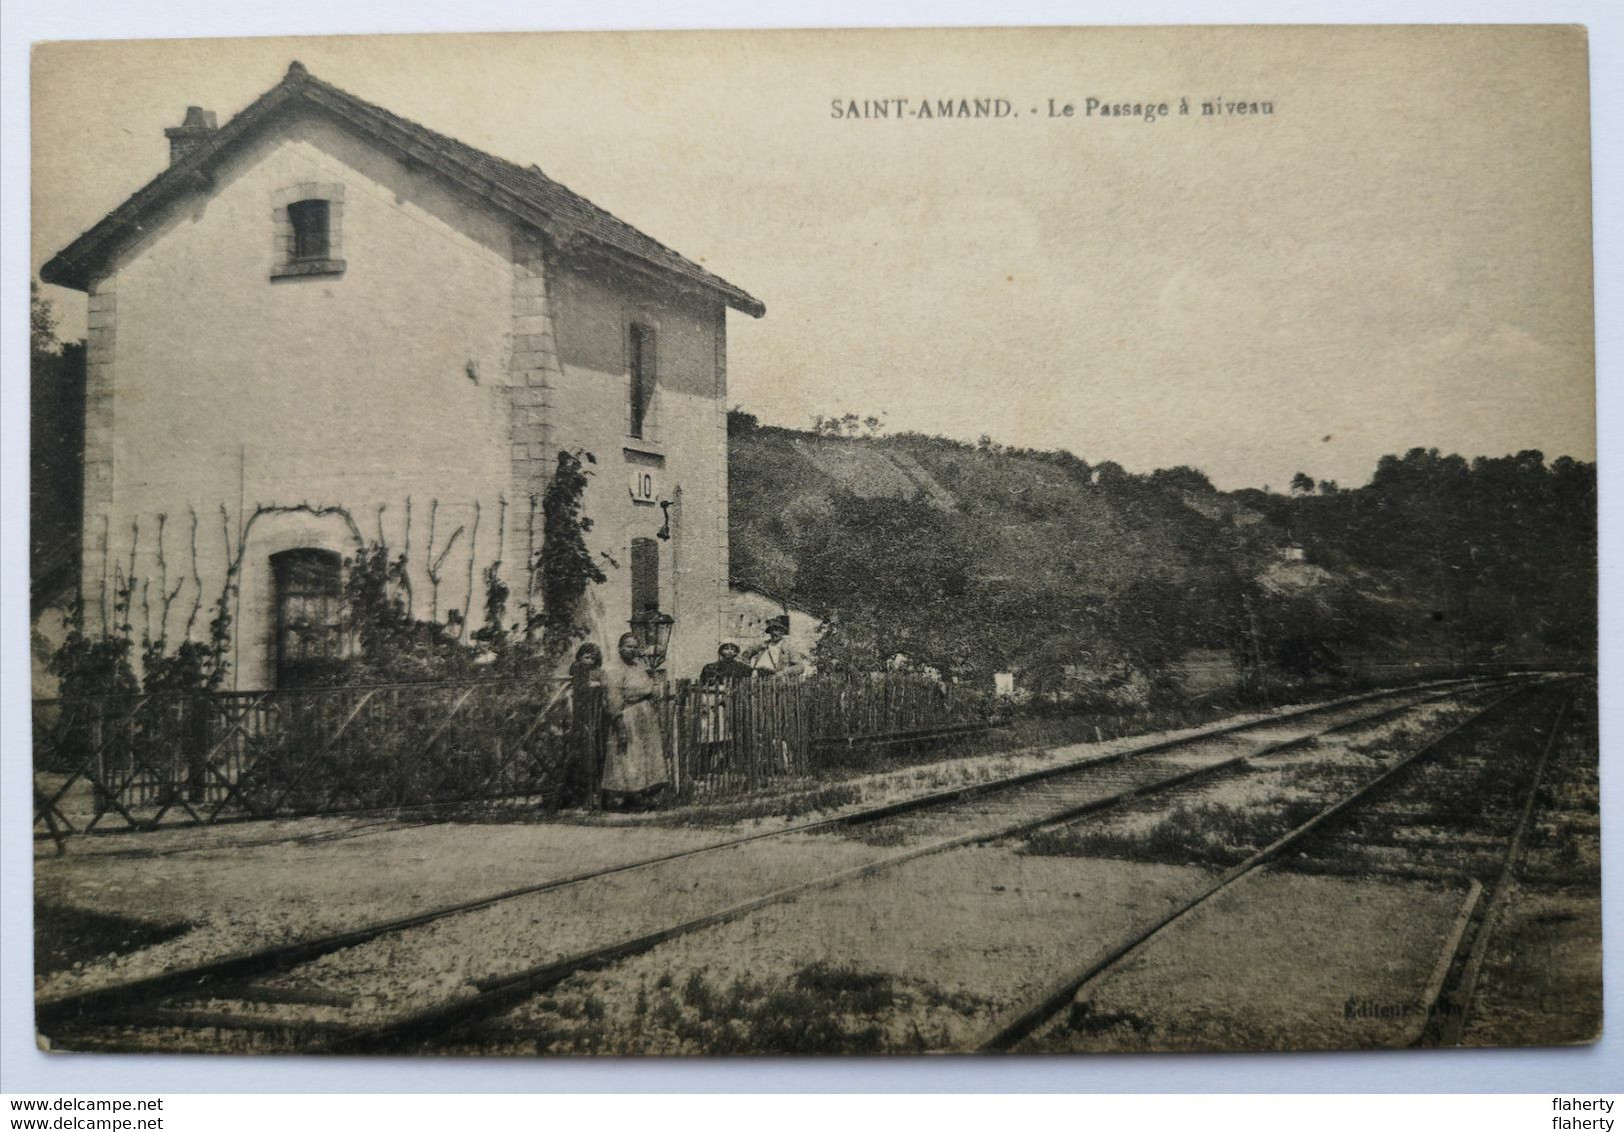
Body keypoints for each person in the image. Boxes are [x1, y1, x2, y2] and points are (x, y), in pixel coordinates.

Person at [599, 632, 669, 811]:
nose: (632, 650)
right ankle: (627, 797)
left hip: (644, 716)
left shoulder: (640, 666)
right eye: (628, 646)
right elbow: (613, 698)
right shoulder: (614, 668)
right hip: (628, 715)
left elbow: (650, 688)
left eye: (635, 647)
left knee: (645, 755)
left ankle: (644, 795)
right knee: (628, 755)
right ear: (620, 648)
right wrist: (619, 725)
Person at [743, 615, 810, 679]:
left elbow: (800, 667)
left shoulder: (788, 648)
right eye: (772, 630)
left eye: (777, 630)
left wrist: (784, 672)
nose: (774, 633)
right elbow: (748, 651)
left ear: (782, 632)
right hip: (758, 677)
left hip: (775, 679)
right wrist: (746, 657)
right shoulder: (763, 645)